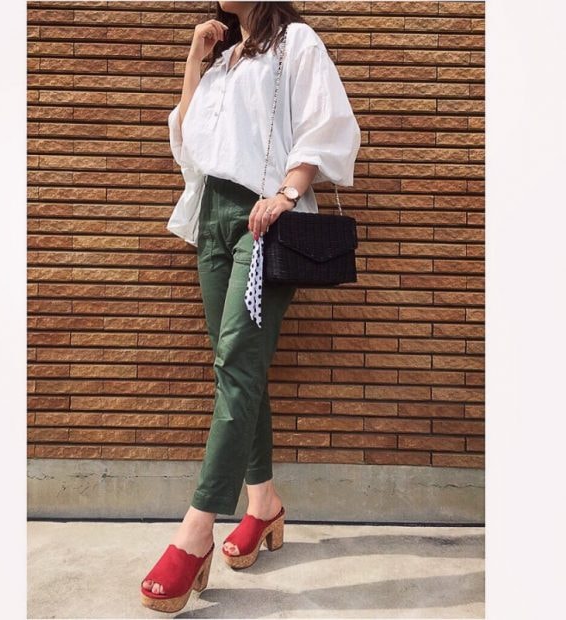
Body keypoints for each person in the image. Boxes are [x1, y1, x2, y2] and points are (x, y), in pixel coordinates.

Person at [140, 1, 361, 612]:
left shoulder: (296, 43)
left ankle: (195, 532)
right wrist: (195, 59)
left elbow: (326, 122)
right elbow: (188, 141)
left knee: (237, 363)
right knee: (235, 367)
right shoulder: (223, 59)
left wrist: (287, 194)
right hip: (211, 216)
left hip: (262, 221)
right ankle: (263, 503)